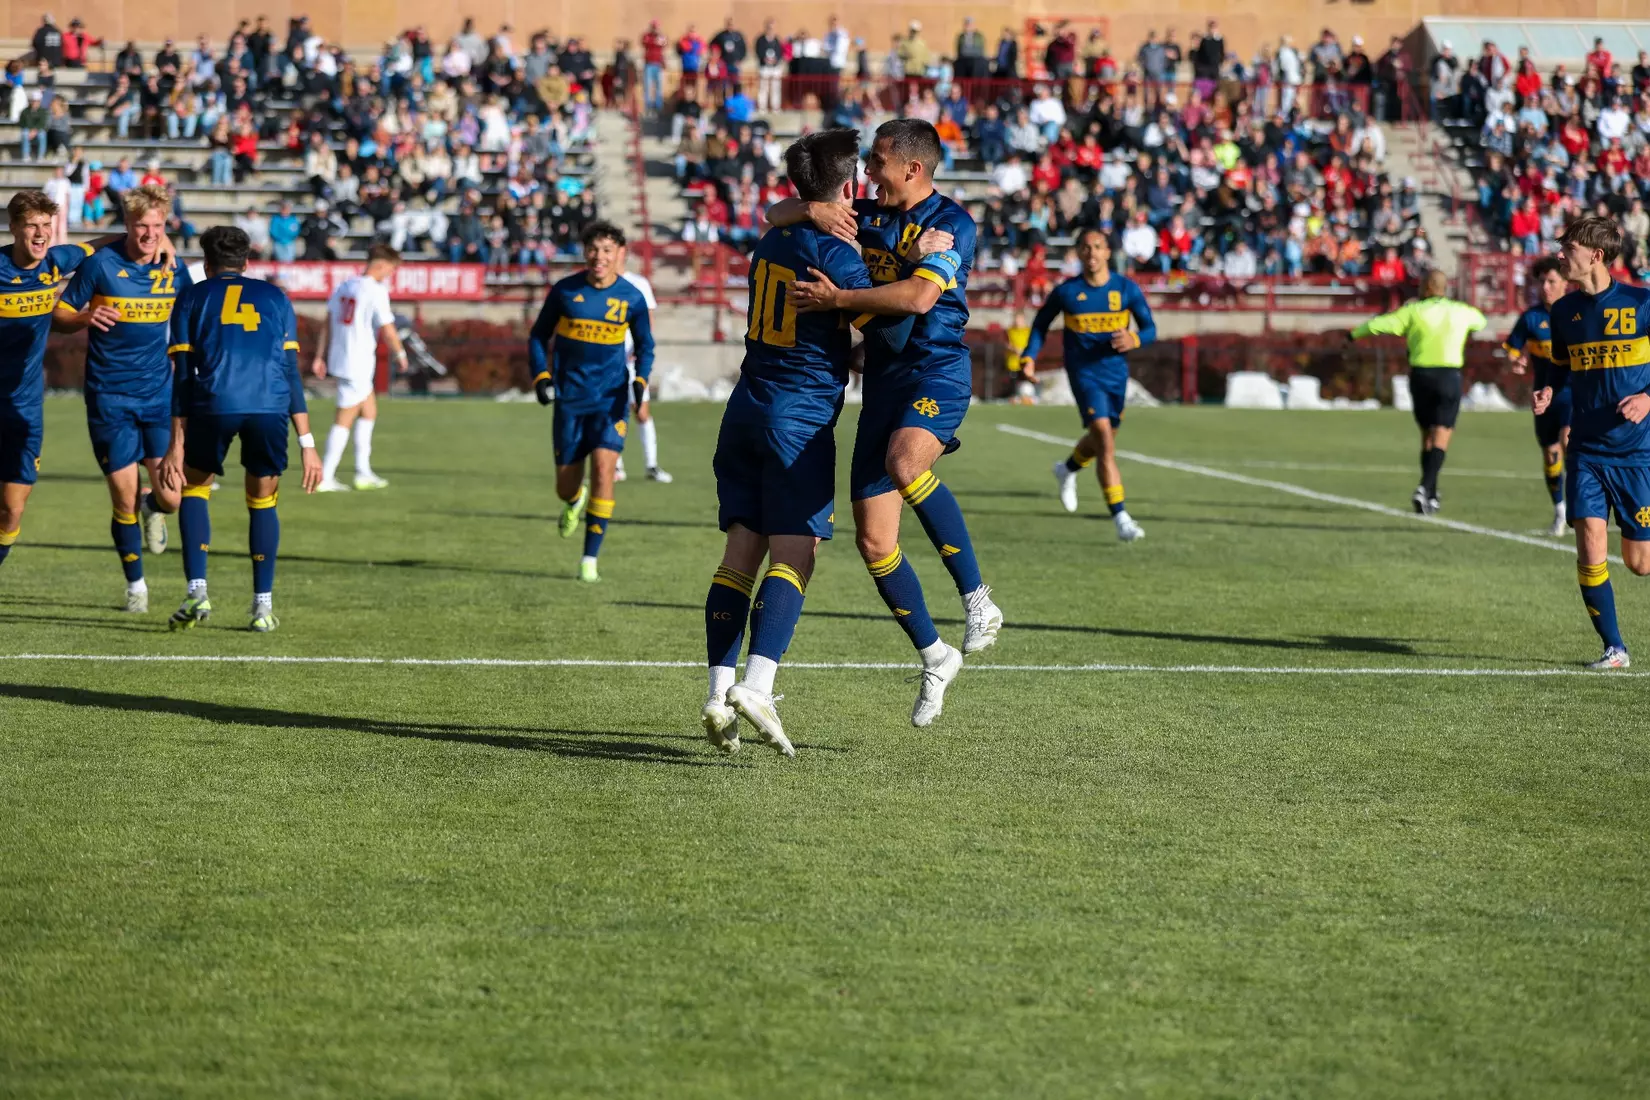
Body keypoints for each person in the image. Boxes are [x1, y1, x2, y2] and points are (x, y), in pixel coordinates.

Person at [772, 118, 1003, 728]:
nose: (866, 172)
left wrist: (839, 300)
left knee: (905, 464)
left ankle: (977, 597)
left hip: (937, 373)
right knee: (874, 540)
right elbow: (772, 216)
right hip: (883, 381)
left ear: (912, 169)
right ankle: (935, 655)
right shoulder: (866, 214)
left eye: (876, 162)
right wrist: (812, 213)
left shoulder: (951, 224)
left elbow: (918, 300)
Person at [702, 128, 914, 757]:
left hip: (744, 408)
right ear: (847, 187)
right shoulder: (837, 255)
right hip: (797, 418)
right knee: (797, 553)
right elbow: (891, 335)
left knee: (741, 550)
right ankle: (758, 683)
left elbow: (781, 218)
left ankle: (717, 691)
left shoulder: (771, 236)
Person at [161, 227, 321, 633]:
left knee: (195, 489)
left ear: (207, 264)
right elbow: (290, 373)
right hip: (269, 409)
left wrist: (175, 443)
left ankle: (197, 592)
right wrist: (308, 443)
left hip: (213, 404)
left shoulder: (192, 297)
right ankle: (262, 607)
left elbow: (182, 377)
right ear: (247, 262)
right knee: (263, 502)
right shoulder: (275, 298)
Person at [53, 185, 192, 612]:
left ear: (165, 226)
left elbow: (192, 314)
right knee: (122, 497)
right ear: (126, 226)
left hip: (159, 398)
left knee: (170, 497)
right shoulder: (101, 265)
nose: (149, 234)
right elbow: (58, 315)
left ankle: (155, 508)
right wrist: (84, 316)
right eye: (140, 226)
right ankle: (136, 586)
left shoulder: (174, 269)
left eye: (156, 226)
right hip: (109, 397)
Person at [1534, 216, 1650, 669]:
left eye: (1568, 248)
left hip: (1637, 451)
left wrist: (1646, 397)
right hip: (1585, 449)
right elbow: (1560, 366)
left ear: (1595, 255)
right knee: (1588, 543)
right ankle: (1614, 648)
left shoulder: (1641, 303)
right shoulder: (1563, 311)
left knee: (1640, 563)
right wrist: (1549, 388)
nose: (1560, 255)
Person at [0, 190, 120, 575]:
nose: (40, 234)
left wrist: (163, 240)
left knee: (12, 509)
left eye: (46, 226)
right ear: (14, 227)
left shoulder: (56, 262)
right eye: (31, 225)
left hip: (25, 406)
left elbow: (101, 243)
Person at [528, 222, 654, 583]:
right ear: (585, 253)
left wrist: (640, 383)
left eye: (607, 250)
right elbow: (538, 335)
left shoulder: (632, 297)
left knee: (604, 469)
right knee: (565, 486)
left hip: (609, 400)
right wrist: (541, 376)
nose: (600, 257)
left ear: (620, 255)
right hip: (569, 401)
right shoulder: (565, 291)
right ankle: (574, 499)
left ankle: (589, 559)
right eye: (594, 250)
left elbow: (646, 346)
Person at [1022, 229, 1155, 539]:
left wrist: (1134, 338)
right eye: (1085, 247)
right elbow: (1041, 324)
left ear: (1107, 252)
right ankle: (1121, 517)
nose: (1092, 253)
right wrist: (1029, 357)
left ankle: (1067, 469)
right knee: (1105, 441)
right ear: (1078, 254)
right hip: (1084, 374)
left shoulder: (1125, 289)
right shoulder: (1068, 292)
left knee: (1101, 439)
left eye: (1097, 247)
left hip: (1116, 374)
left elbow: (1150, 328)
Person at [1348, 269, 1486, 515]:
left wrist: (1354, 334)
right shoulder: (1461, 311)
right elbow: (1481, 321)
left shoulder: (1413, 311)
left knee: (1427, 436)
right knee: (1441, 435)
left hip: (1421, 377)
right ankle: (1425, 487)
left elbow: (1380, 324)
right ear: (1445, 288)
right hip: (1448, 376)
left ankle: (1431, 495)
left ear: (1424, 288)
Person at [308, 244, 407, 492]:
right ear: (381, 264)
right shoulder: (375, 290)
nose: (390, 275)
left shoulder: (345, 285)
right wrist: (400, 353)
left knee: (369, 411)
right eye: (391, 270)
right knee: (344, 418)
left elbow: (327, 322)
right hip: (358, 361)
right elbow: (388, 327)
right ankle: (325, 476)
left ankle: (363, 472)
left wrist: (320, 356)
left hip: (342, 357)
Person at [1504, 256, 1572, 536]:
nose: (1545, 286)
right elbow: (1512, 348)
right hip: (1542, 398)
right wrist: (1515, 360)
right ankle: (1560, 511)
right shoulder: (1530, 318)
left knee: (1570, 442)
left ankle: (1585, 508)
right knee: (1550, 454)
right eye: (1542, 281)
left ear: (1565, 283)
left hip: (1572, 394)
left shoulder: (1575, 313)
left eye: (1552, 281)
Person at [614, 245, 671, 483]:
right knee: (613, 411)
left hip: (633, 360)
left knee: (641, 410)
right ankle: (616, 466)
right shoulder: (598, 284)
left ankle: (651, 465)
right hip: (609, 359)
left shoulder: (638, 283)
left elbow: (647, 321)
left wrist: (641, 348)